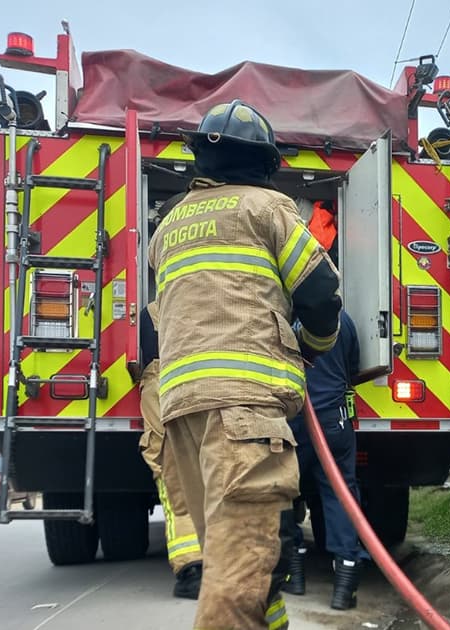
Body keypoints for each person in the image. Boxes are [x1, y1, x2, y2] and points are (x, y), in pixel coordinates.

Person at [149, 99, 342, 630]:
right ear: (264, 163)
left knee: (242, 560)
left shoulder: (169, 226)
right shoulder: (266, 208)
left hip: (182, 414)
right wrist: (315, 346)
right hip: (244, 413)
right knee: (241, 573)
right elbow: (320, 293)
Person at [283, 309, 364, 610]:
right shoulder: (343, 320)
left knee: (283, 490)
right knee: (340, 494)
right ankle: (345, 585)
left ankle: (294, 572)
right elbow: (353, 368)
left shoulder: (281, 320)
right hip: (334, 422)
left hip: (293, 421)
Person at [138, 301, 204, 600]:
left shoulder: (150, 312)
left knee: (172, 477)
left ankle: (191, 568)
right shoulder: (202, 304)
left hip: (163, 386)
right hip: (203, 386)